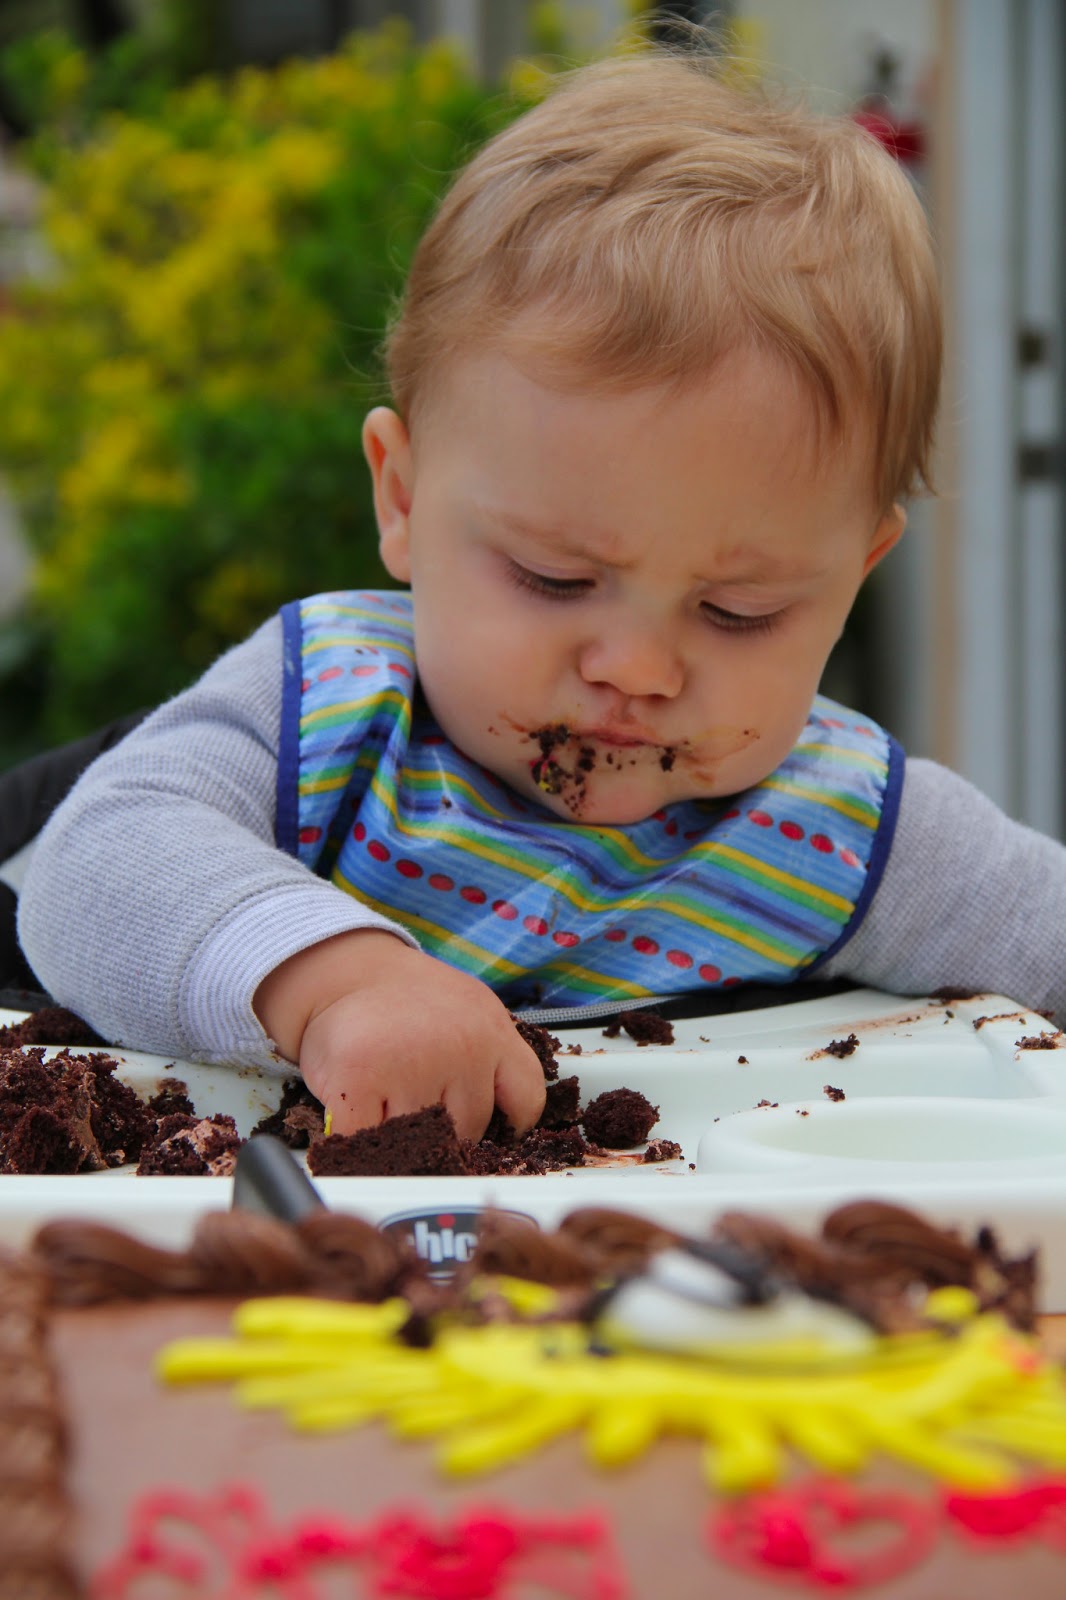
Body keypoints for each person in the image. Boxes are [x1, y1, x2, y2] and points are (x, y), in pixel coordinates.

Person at [18, 49, 1066, 1140]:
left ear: (853, 578)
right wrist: (337, 981)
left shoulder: (856, 830)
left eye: (738, 611)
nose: (637, 669)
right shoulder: (331, 713)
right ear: (405, 500)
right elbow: (91, 864)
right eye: (553, 578)